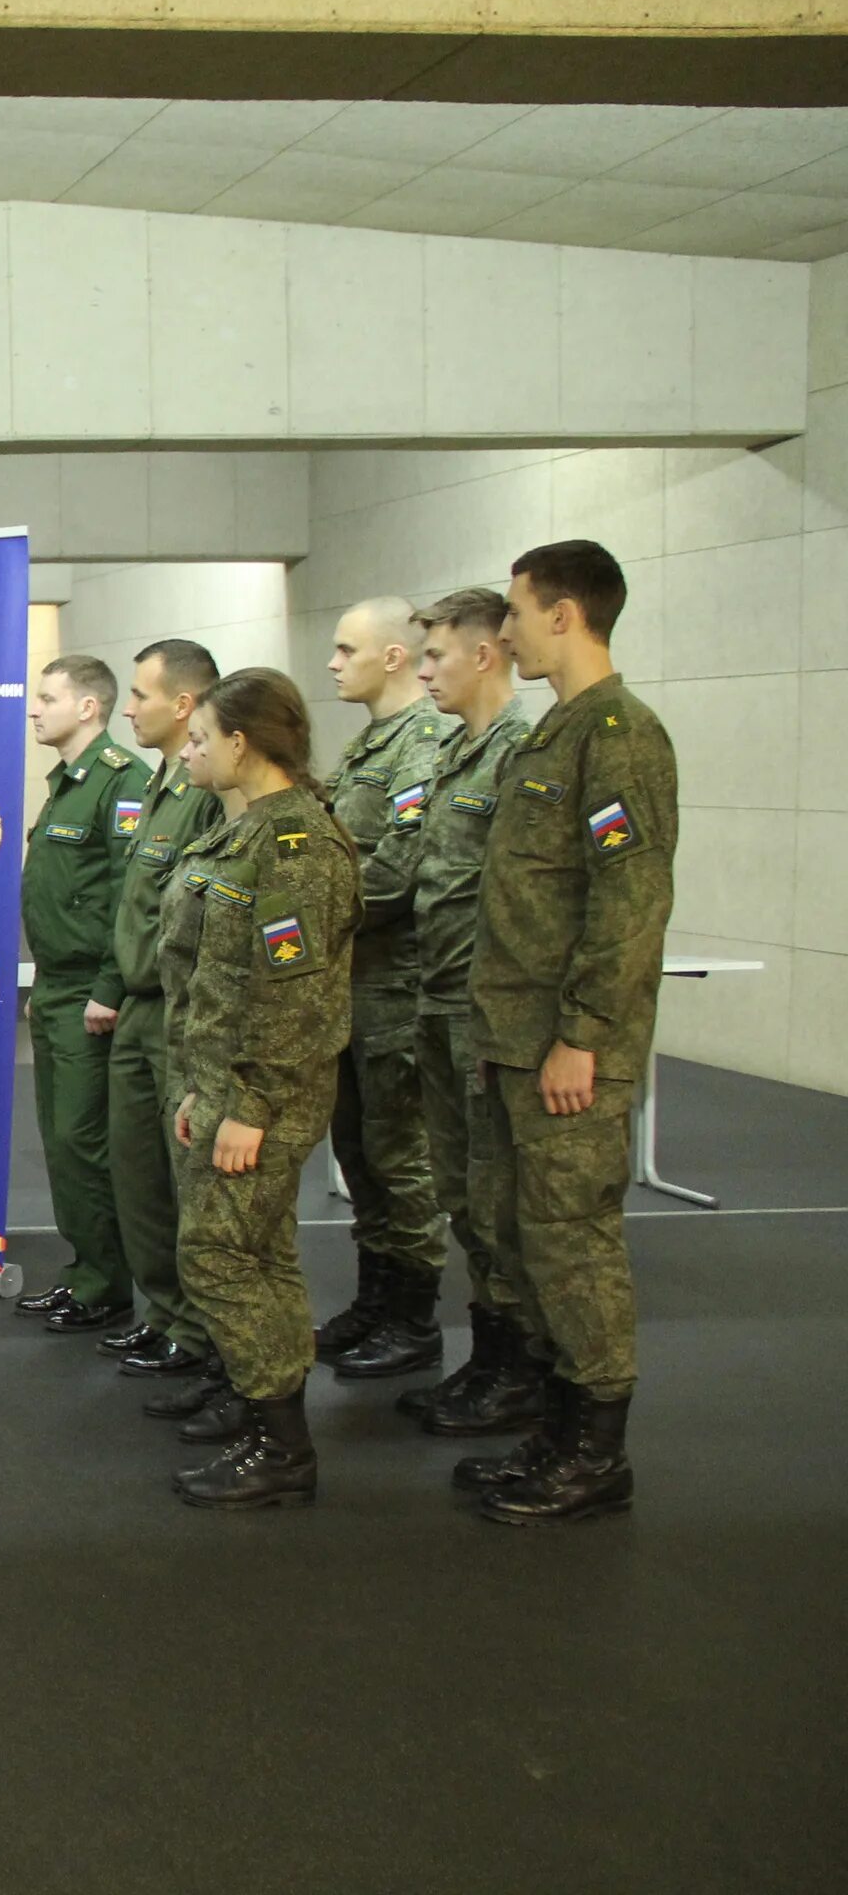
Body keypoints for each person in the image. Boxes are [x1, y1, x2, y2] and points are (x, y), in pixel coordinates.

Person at [454, 541, 676, 1526]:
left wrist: (583, 1032)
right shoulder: (555, 733)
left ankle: (597, 1449)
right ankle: (553, 1426)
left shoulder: (619, 735)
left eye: (516, 610)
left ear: (566, 614)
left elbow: (630, 901)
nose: (503, 629)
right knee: (521, 1235)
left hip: (565, 1045)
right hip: (510, 1036)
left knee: (574, 1242)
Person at [161, 669, 358, 1509]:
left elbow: (295, 996)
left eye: (203, 736)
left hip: (260, 1094)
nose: (193, 750)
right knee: (261, 1253)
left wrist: (249, 1105)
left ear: (243, 744)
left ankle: (282, 1447)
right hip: (220, 1083)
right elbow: (212, 977)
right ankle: (265, 1420)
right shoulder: (243, 835)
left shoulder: (296, 849)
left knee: (216, 1257)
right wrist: (202, 1090)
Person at [380, 589, 543, 1438]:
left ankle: (517, 1367)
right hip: (434, 998)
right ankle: (487, 1357)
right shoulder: (450, 752)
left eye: (438, 656)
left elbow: (521, 901)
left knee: (494, 1195)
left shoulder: (521, 751)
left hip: (484, 1010)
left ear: (485, 656)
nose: (427, 671)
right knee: (457, 1189)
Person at [315, 598, 458, 1377]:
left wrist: (309, 914)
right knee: (359, 1152)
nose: (334, 663)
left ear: (394, 657)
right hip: (350, 982)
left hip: (393, 987)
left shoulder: (424, 744)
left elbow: (399, 870)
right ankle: (375, 1301)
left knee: (402, 1156)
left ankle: (414, 1317)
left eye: (346, 649)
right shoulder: (370, 743)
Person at [84, 639, 229, 1403]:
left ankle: (201, 1331)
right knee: (138, 1178)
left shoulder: (208, 789)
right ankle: (166, 1312)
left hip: (177, 1011)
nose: (127, 708)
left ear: (182, 705)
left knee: (186, 1185)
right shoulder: (164, 784)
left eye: (140, 695)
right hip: (138, 1006)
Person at [12, 656, 139, 1333]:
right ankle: (88, 1272)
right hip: (58, 984)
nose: (35, 709)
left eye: (47, 698)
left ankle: (108, 1281)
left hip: (91, 990)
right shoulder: (68, 784)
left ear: (88, 707)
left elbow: (131, 896)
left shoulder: (120, 782)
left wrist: (107, 987)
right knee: (61, 1143)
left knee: (81, 1138)